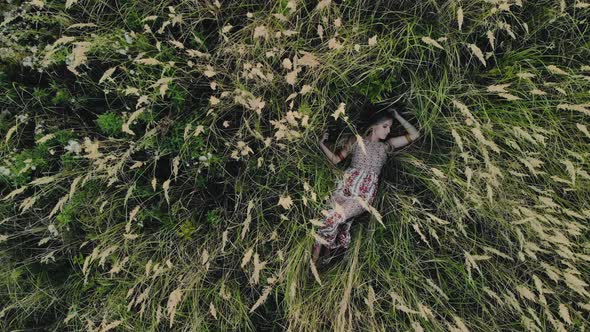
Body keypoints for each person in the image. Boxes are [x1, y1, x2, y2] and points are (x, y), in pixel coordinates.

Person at [311, 107, 420, 268]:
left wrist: (397, 115)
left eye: (390, 127)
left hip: (363, 194)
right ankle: (315, 262)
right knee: (326, 217)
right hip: (345, 186)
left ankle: (321, 259)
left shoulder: (386, 146)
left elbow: (414, 134)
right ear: (374, 126)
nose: (388, 131)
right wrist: (322, 144)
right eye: (385, 126)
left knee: (335, 218)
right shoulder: (356, 140)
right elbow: (335, 159)